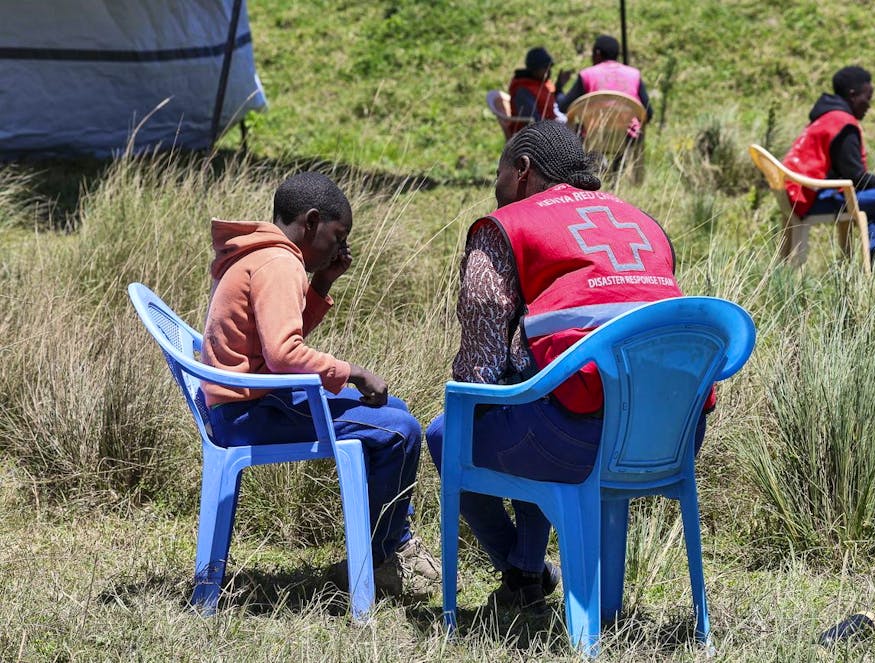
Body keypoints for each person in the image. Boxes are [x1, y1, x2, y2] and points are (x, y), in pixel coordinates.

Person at [425, 121, 712, 616]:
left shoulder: (508, 227)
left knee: (450, 431)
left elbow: (479, 370)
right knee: (541, 391)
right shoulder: (643, 222)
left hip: (573, 443)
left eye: (497, 179)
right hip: (675, 437)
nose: (496, 194)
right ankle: (526, 574)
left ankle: (519, 571)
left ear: (521, 171)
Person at [201, 171, 440, 600]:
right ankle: (384, 554)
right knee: (401, 432)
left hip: (243, 401)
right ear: (311, 222)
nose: (341, 246)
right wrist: (352, 371)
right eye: (338, 234)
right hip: (252, 411)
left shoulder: (264, 254)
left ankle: (379, 548)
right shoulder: (280, 263)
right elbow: (283, 354)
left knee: (396, 411)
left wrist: (323, 283)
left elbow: (274, 342)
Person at [782, 66, 875, 267]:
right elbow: (856, 178)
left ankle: (873, 261)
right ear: (853, 95)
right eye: (868, 97)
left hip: (799, 194)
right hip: (811, 199)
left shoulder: (825, 116)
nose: (869, 105)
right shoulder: (843, 123)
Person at [557, 34, 653, 135]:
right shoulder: (634, 75)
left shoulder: (587, 75)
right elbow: (648, 113)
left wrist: (558, 89)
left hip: (592, 138)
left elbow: (564, 107)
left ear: (597, 54)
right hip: (627, 139)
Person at [507, 46, 571, 136]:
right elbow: (534, 123)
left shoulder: (541, 82)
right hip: (532, 139)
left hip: (551, 128)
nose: (549, 71)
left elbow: (551, 104)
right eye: (545, 68)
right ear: (534, 69)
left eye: (549, 68)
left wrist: (559, 86)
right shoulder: (523, 91)